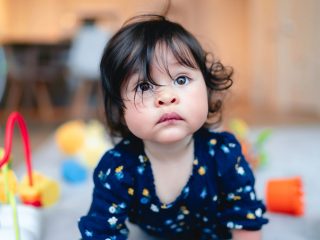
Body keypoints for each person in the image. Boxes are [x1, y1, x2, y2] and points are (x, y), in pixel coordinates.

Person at [78, 14, 268, 240]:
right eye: (144, 86)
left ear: (207, 90)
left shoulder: (223, 154)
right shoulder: (119, 169)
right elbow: (101, 232)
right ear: (120, 110)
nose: (166, 97)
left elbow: (245, 218)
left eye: (181, 80)